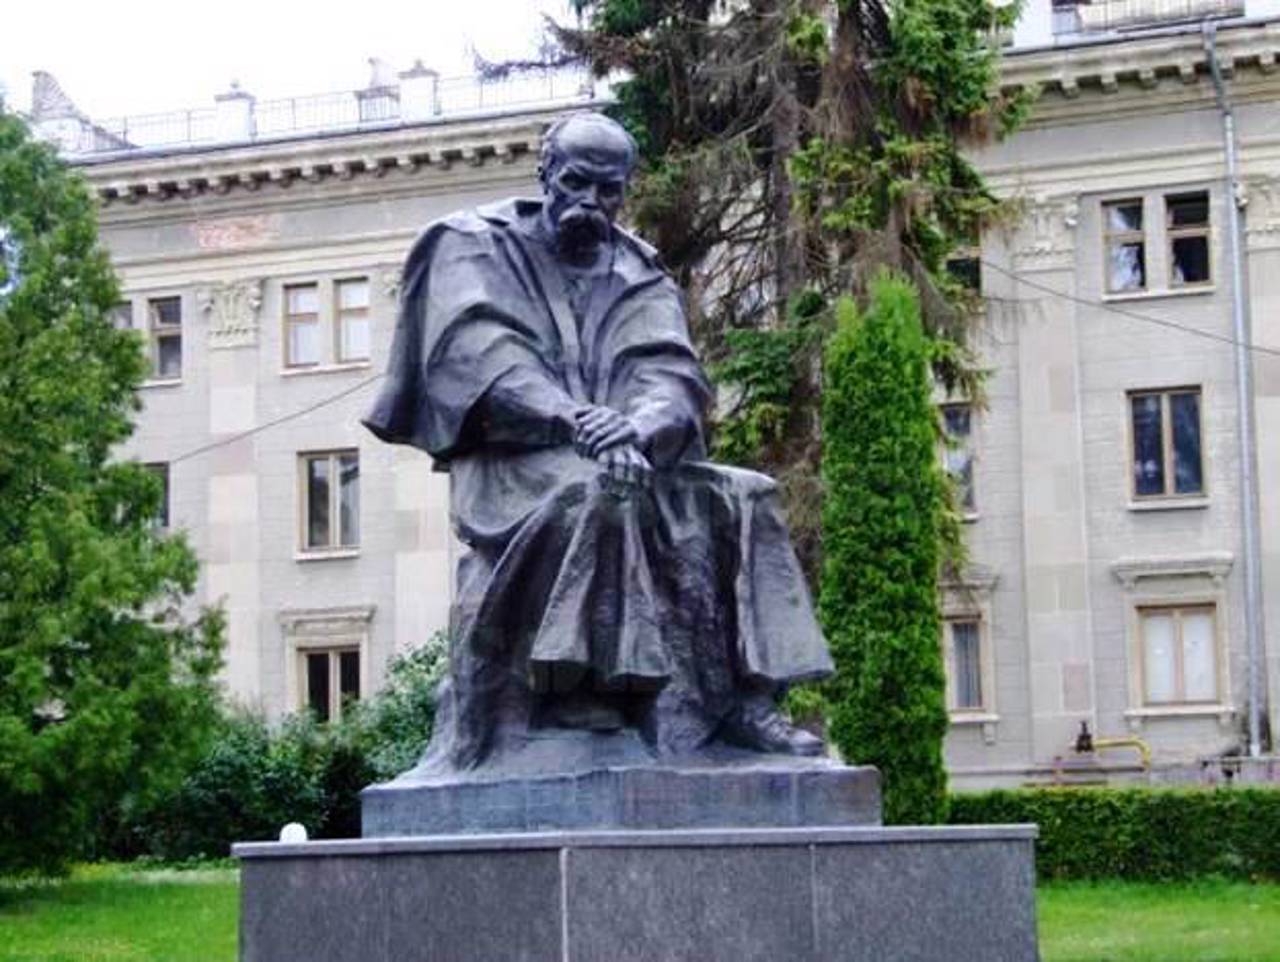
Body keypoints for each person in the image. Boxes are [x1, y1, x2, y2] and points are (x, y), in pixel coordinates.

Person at [364, 112, 832, 772]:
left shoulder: (637, 269)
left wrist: (635, 427)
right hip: (515, 465)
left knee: (746, 494)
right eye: (575, 183)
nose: (590, 203)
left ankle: (745, 701)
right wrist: (576, 420)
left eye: (608, 190)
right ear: (544, 175)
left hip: (628, 453)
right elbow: (481, 359)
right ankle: (582, 691)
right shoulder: (472, 244)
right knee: (597, 489)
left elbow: (670, 373)